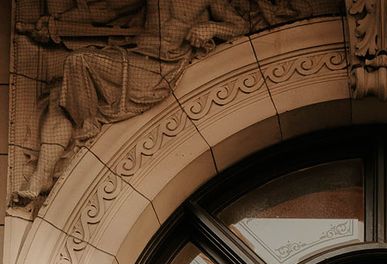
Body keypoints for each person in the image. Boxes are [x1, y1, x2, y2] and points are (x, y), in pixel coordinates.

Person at [12, 0, 248, 204]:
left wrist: (212, 28)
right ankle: (43, 173)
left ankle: (87, 129)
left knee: (78, 62)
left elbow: (241, 25)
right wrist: (57, 23)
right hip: (134, 59)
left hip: (158, 69)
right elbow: (105, 11)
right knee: (59, 93)